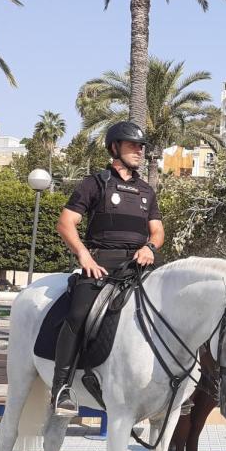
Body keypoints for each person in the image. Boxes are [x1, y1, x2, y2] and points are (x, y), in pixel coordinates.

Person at [50, 121, 165, 416]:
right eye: (132, 145)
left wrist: (150, 248)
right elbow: (65, 224)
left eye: (141, 146)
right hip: (100, 265)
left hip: (138, 266)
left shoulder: (146, 191)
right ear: (114, 147)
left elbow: (157, 232)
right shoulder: (94, 183)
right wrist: (84, 257)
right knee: (77, 315)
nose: (139, 151)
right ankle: (61, 388)